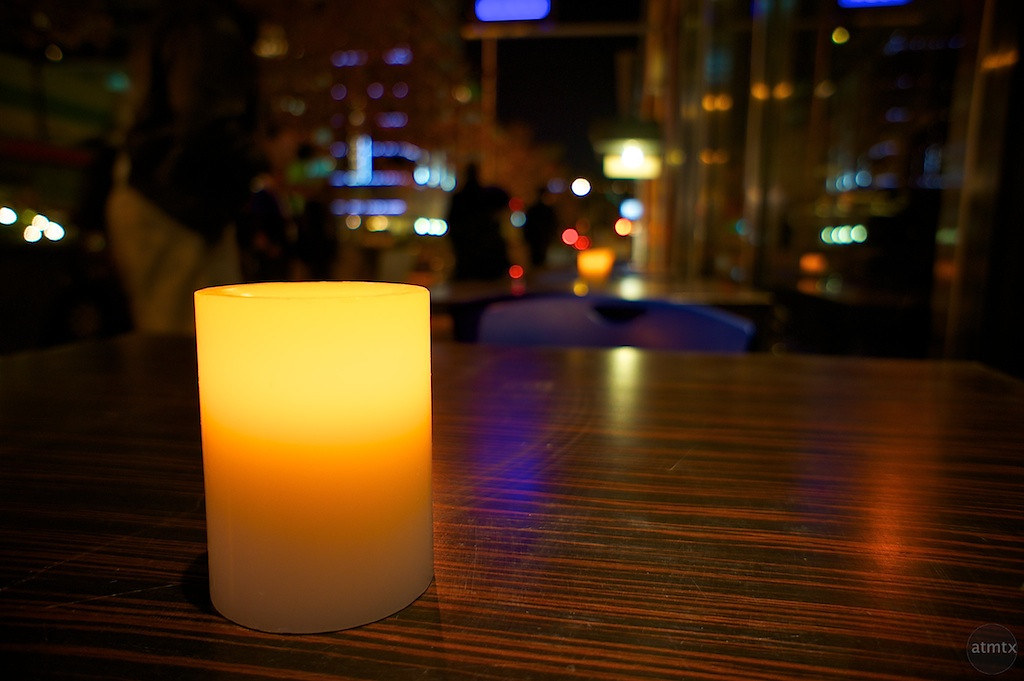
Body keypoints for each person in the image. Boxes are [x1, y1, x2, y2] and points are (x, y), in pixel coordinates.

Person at [105, 0, 262, 334]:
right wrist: (258, 160)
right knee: (186, 345)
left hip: (167, 196)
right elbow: (205, 119)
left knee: (181, 340)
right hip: (180, 202)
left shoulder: (179, 23)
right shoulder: (209, 28)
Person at [445, 163, 510, 281]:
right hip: (484, 259)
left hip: (468, 258)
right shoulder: (485, 196)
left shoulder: (460, 198)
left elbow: (452, 223)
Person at [522, 185, 558, 268]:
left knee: (537, 258)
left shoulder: (533, 209)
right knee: (538, 257)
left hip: (537, 238)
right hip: (539, 238)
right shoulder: (546, 210)